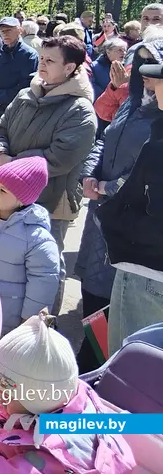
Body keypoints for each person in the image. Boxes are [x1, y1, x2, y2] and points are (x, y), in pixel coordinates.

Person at [0, 312, 136, 474]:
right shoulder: (57, 401)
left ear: (36, 402)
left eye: (5, 393)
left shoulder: (56, 455)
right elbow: (3, 413)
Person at [0, 36, 97, 313]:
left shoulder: (80, 110)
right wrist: (0, 155)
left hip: (52, 200)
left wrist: (12, 166)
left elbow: (60, 158)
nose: (42, 65)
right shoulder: (26, 95)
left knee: (45, 267)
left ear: (71, 68)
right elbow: (0, 131)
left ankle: (44, 325)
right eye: (41, 58)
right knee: (8, 259)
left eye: (50, 61)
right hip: (8, 192)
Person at [74, 35, 163, 371]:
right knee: (92, 295)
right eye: (141, 65)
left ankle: (110, 379)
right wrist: (89, 174)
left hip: (132, 229)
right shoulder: (132, 102)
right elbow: (104, 138)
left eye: (154, 67)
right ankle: (92, 368)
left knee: (123, 311)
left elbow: (148, 175)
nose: (146, 74)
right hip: (102, 217)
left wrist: (108, 187)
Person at [98, 60, 163, 354]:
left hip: (148, 272)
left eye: (159, 80)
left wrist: (113, 222)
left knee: (131, 374)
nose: (154, 86)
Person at [0, 157, 60, 336]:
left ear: (22, 198)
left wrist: (28, 324)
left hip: (9, 320)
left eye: (3, 190)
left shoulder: (36, 237)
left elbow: (42, 283)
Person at [0, 15, 38, 146]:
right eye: (2, 31)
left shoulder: (28, 55)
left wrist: (1, 99)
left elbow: (27, 85)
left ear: (19, 30)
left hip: (16, 115)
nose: (4, 34)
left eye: (8, 30)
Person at [90, 37, 127, 102]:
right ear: (108, 52)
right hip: (102, 105)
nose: (124, 53)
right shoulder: (94, 67)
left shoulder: (126, 66)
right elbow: (93, 90)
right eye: (120, 50)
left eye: (125, 50)